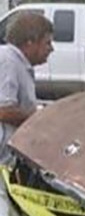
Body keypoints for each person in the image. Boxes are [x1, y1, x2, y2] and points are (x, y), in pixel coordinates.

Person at [0, 12, 51, 164]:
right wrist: (38, 118)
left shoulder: (18, 63)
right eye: (47, 43)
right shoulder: (9, 62)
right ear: (30, 42)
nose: (51, 49)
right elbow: (3, 110)